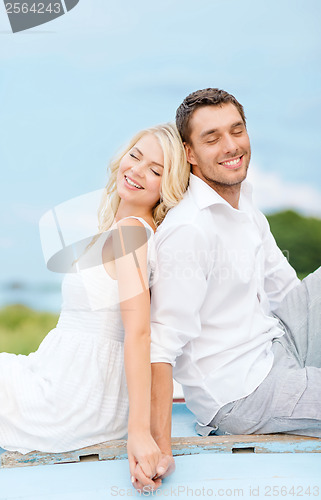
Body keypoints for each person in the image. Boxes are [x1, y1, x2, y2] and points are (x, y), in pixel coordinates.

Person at [133, 88, 321, 489]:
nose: (231, 146)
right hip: (242, 393)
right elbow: (161, 347)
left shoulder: (244, 203)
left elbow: (288, 291)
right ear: (190, 153)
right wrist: (160, 447)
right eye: (212, 138)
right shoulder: (190, 230)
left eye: (237, 131)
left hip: (275, 345)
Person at [0, 123, 190, 485]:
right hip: (64, 379)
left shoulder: (131, 232)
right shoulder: (127, 230)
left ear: (167, 187)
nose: (137, 171)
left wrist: (139, 433)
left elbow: (139, 332)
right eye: (135, 156)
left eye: (155, 170)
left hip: (73, 396)